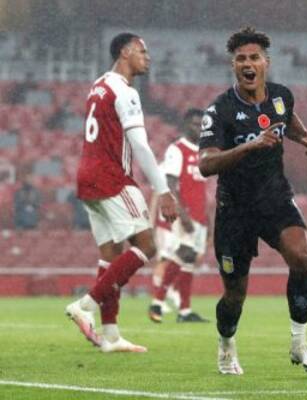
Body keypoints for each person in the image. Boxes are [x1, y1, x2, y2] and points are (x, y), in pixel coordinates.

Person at [199, 27, 307, 375]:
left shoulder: (281, 97)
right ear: (233, 66)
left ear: (266, 63)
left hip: (274, 198)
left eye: (254, 57)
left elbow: (288, 121)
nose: (247, 64)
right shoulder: (220, 110)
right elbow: (205, 164)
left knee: (300, 256)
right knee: (235, 295)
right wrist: (249, 146)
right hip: (234, 209)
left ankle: (300, 343)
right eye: (241, 59)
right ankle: (226, 344)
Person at [65, 32, 178, 353]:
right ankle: (85, 305)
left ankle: (111, 335)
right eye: (142, 51)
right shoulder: (125, 91)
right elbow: (140, 145)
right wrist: (163, 190)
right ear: (125, 52)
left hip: (87, 176)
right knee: (147, 245)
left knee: (110, 255)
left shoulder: (98, 85)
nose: (148, 57)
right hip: (112, 177)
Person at [148, 108, 211, 323]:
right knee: (183, 253)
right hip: (186, 214)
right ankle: (157, 303)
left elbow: (200, 188)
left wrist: (207, 219)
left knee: (190, 260)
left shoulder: (202, 153)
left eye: (202, 125)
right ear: (185, 125)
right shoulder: (177, 150)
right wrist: (183, 215)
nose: (199, 128)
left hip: (200, 215)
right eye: (195, 124)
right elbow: (170, 184)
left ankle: (185, 311)